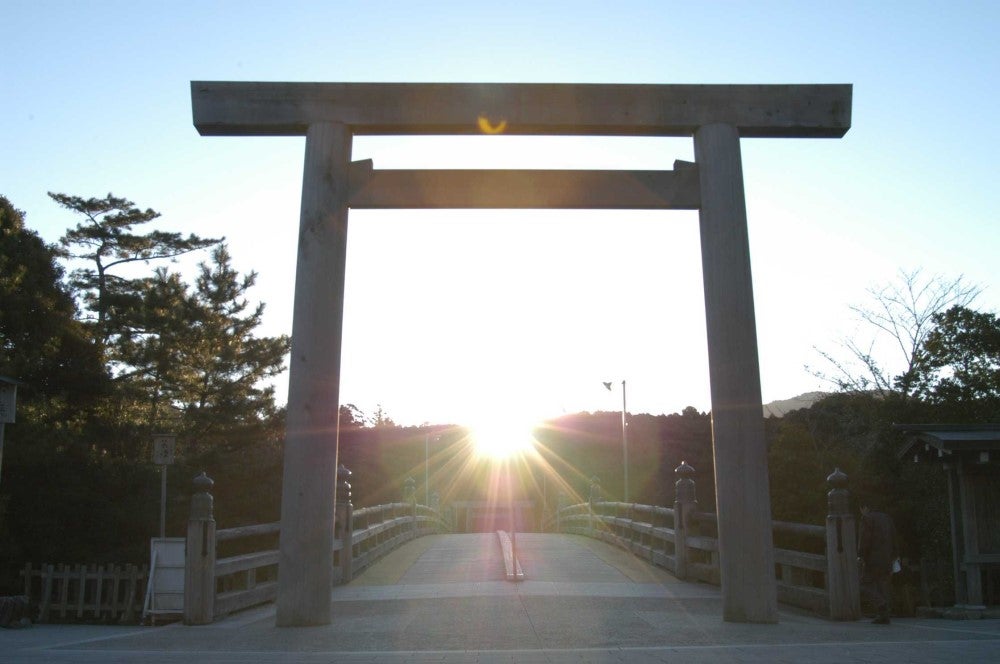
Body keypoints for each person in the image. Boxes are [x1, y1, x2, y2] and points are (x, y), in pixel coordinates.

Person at [858, 504, 899, 624]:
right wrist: (895, 555)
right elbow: (894, 537)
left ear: (865, 508)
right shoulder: (887, 518)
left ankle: (881, 604)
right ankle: (884, 616)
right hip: (887, 557)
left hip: (873, 558)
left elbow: (865, 539)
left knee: (865, 584)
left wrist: (861, 555)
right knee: (882, 585)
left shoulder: (867, 518)